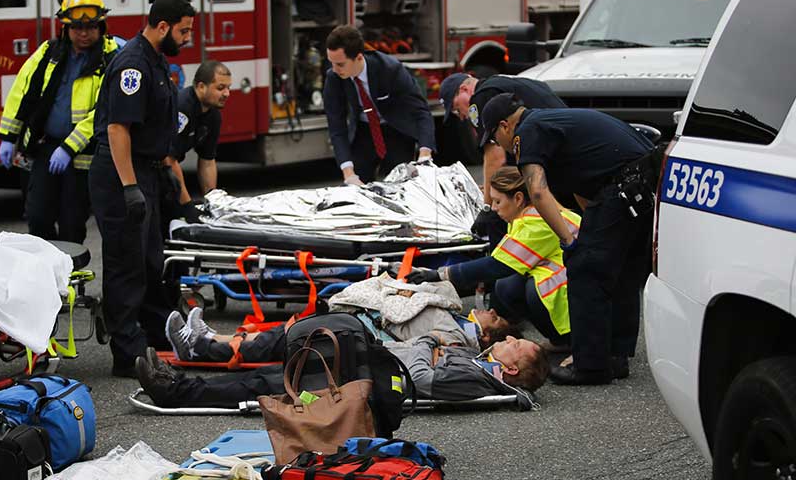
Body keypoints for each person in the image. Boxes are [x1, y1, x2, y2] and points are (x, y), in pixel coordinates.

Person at [479, 92, 657, 385]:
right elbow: (583, 185)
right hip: (642, 184)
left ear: (505, 126)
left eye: (496, 139)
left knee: (585, 269)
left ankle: (590, 366)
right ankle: (615, 356)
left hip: (623, 187)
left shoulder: (529, 131)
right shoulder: (554, 122)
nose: (502, 146)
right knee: (623, 269)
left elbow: (537, 191)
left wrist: (570, 242)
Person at [90, 0, 196, 377]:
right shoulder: (133, 64)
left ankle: (157, 334)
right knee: (126, 264)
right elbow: (118, 128)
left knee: (151, 260)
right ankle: (127, 352)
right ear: (163, 26)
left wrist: (161, 169)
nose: (187, 38)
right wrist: (130, 186)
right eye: (183, 31)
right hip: (122, 172)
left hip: (145, 170)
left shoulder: (154, 60)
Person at [400, 166, 580, 349]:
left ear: (518, 199)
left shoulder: (537, 221)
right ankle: (560, 339)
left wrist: (441, 274)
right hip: (569, 267)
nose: (493, 208)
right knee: (506, 286)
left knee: (535, 291)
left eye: (497, 201)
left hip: (583, 275)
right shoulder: (526, 215)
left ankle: (573, 340)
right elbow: (504, 260)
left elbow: (498, 265)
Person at [135, 331, 548, 409]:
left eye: (514, 346)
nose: (508, 340)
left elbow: (421, 380)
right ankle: (190, 370)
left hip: (367, 380)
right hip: (370, 362)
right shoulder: (478, 362)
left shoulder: (476, 379)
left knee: (269, 384)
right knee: (290, 354)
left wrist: (426, 345)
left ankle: (174, 390)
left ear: (509, 371)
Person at [0, 0, 120, 243]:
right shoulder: (49, 52)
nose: (84, 33)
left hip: (83, 157)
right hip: (44, 148)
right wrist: (8, 136)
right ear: (66, 27)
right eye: (77, 28)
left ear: (101, 27)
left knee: (72, 224)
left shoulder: (111, 59)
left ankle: (69, 280)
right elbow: (22, 90)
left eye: (90, 27)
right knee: (37, 216)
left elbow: (103, 112)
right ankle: (47, 272)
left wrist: (68, 147)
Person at [439, 72, 566, 248]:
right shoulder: (509, 83)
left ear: (464, 89)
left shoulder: (481, 98)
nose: (460, 115)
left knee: (498, 217)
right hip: (565, 151)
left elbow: (495, 157)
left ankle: (507, 267)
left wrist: (487, 206)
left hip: (551, 160)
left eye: (455, 108)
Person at [164, 306, 521, 365]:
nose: (488, 309)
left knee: (290, 340)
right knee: (290, 330)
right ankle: (216, 338)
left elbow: (410, 347)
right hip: (366, 324)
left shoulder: (456, 338)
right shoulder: (456, 319)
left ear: (488, 333)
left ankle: (201, 349)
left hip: (367, 338)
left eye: (496, 316)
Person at [323, 25, 436, 185]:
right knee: (355, 190)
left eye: (340, 64)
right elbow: (336, 126)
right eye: (331, 63)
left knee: (400, 188)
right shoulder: (333, 77)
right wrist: (348, 173)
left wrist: (425, 154)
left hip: (396, 130)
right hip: (364, 131)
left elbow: (421, 112)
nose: (334, 69)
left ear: (359, 58)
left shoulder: (391, 69)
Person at [163, 60, 231, 225]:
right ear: (201, 87)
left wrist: (212, 201)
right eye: (220, 88)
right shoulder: (182, 107)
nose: (227, 93)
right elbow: (168, 159)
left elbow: (207, 160)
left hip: (166, 173)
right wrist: (187, 205)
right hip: (149, 173)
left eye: (229, 87)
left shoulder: (213, 115)